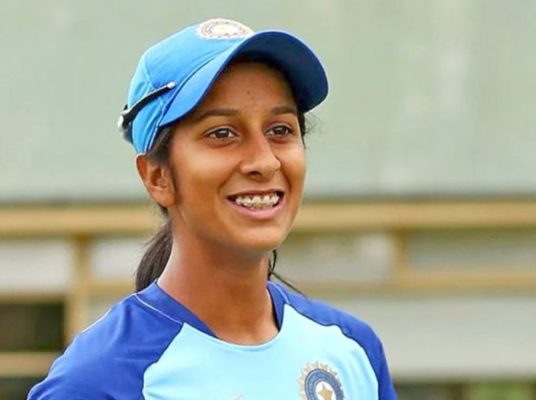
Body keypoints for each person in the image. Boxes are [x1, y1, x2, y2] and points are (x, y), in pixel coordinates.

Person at [28, 18, 397, 400]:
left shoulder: (352, 350)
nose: (265, 161)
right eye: (222, 133)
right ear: (157, 177)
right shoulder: (98, 381)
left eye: (280, 130)